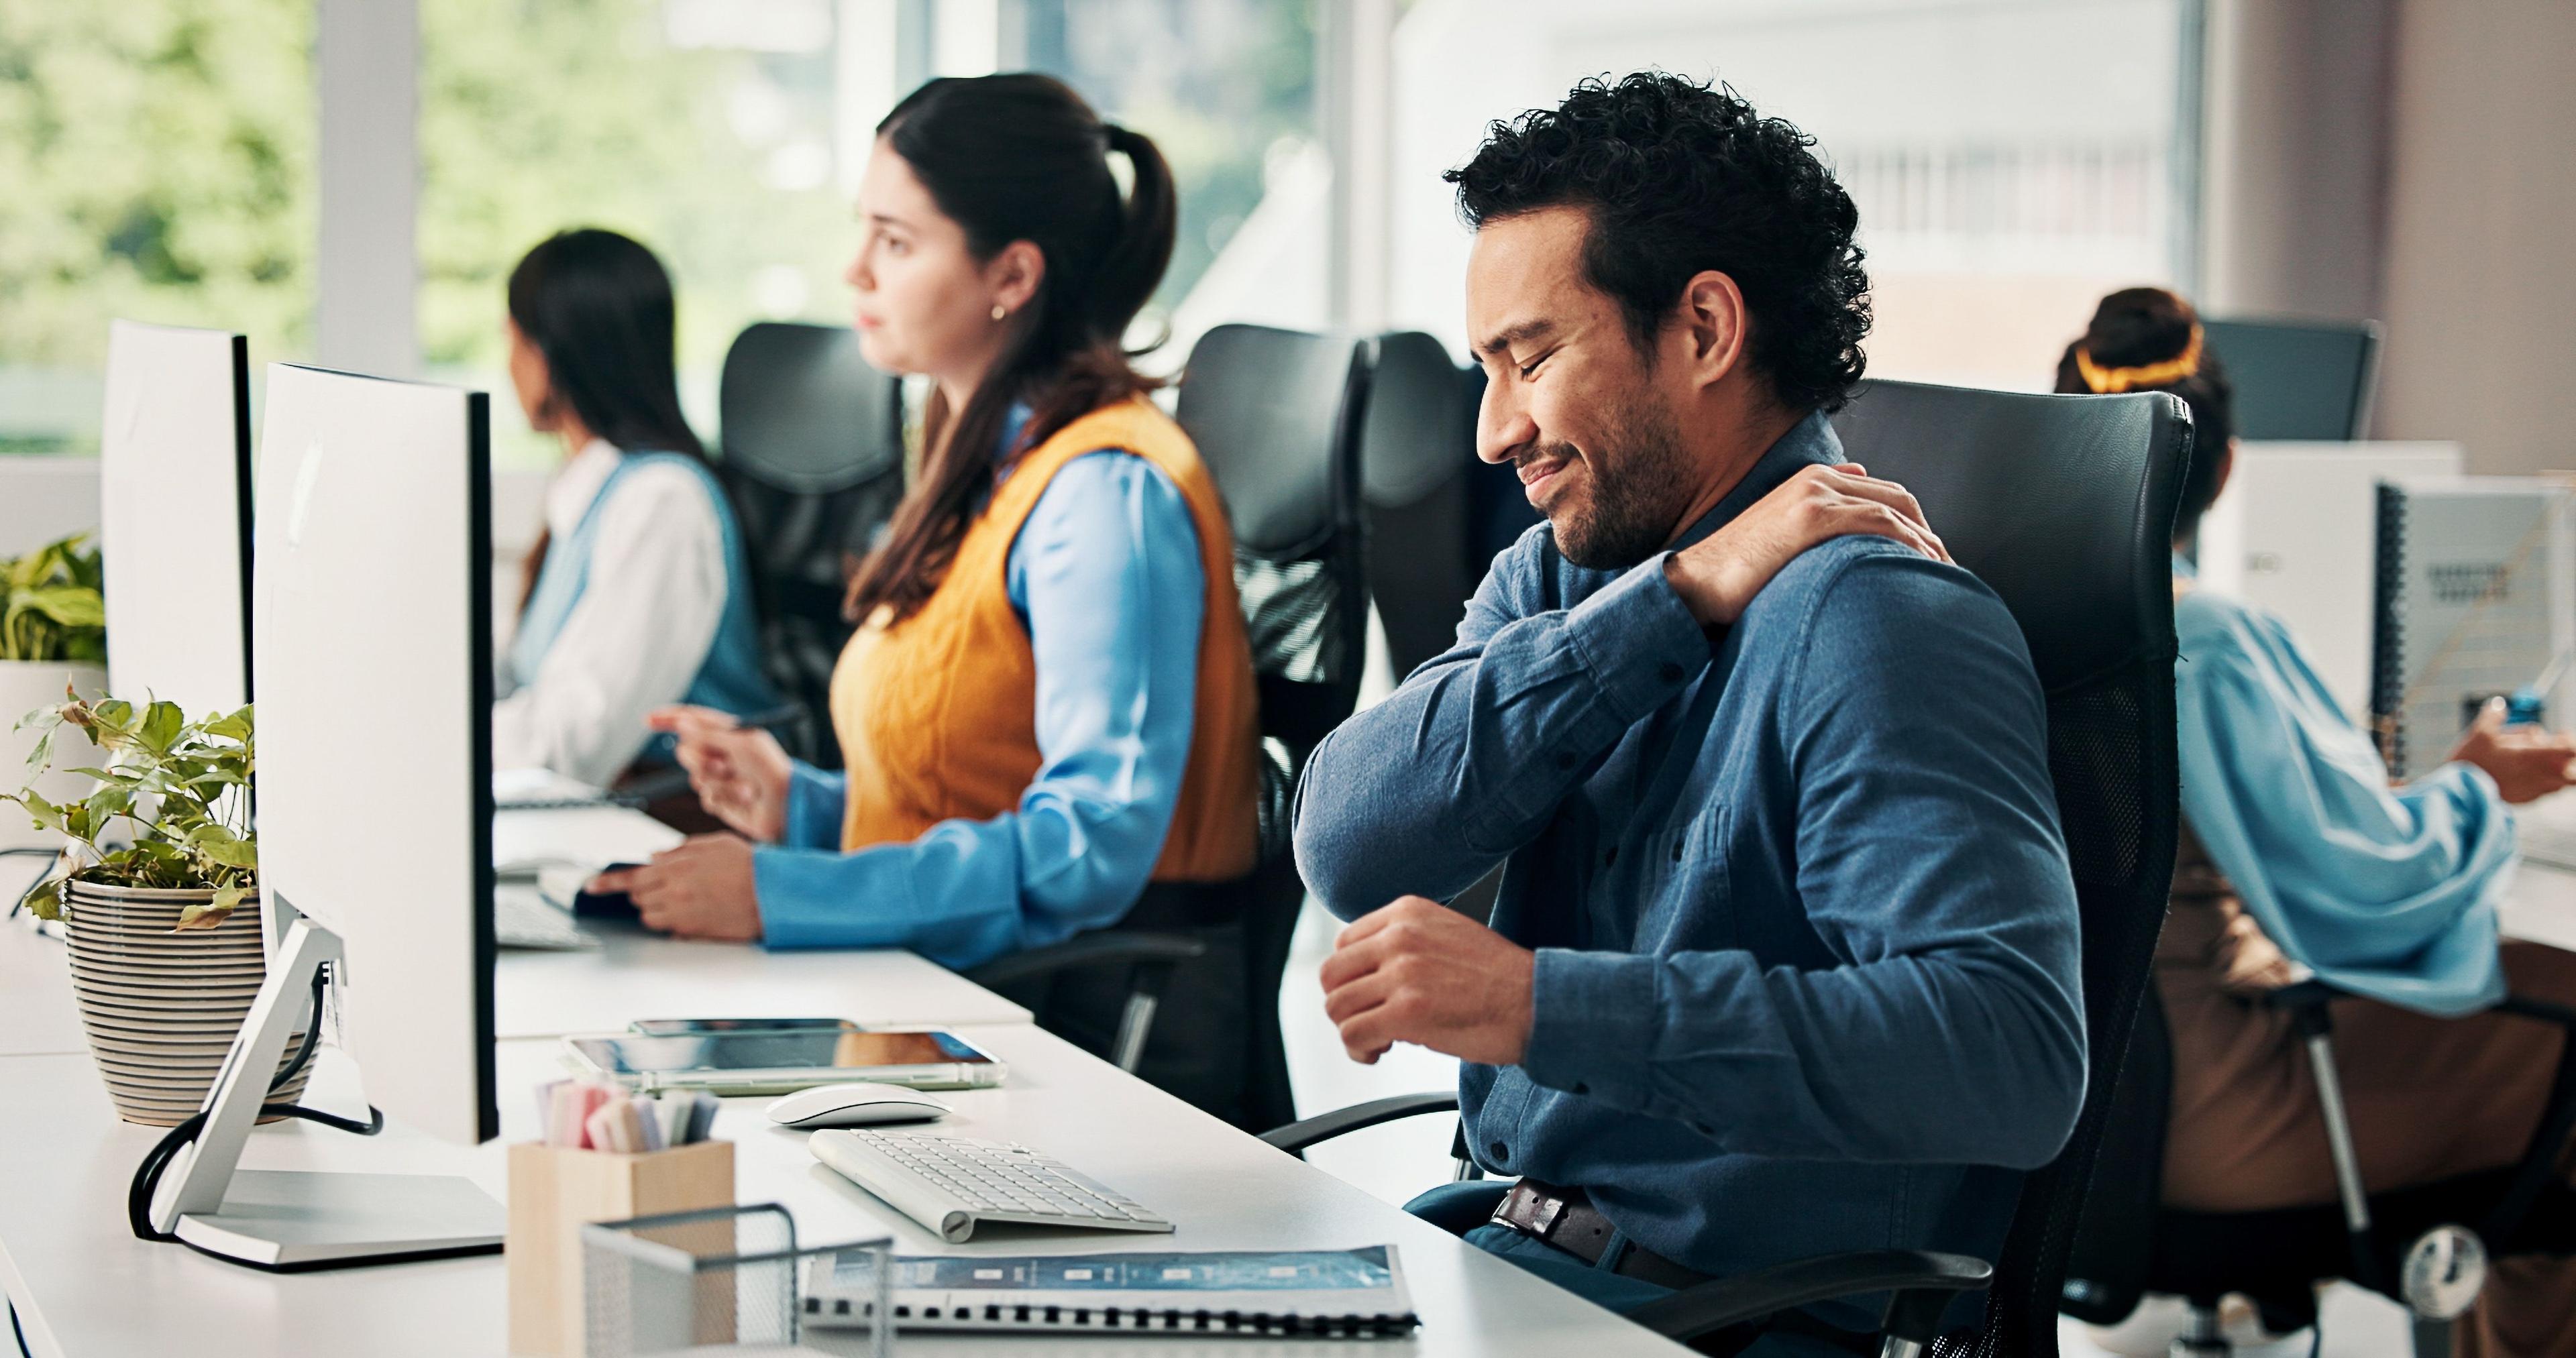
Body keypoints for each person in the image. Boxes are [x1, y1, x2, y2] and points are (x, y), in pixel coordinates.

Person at [1291, 72, 2088, 1350]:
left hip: (1704, 1320)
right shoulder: (1574, 575)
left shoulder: (1880, 624)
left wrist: (1543, 1008)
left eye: (1532, 358)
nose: (1498, 431)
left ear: (1706, 329)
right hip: (1504, 1257)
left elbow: (2008, 1058)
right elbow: (1350, 841)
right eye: (1486, 370)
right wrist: (1676, 599)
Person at [597, 74, 1262, 1114]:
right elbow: (972, 782)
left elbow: (1090, 845)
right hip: (954, 1002)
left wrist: (787, 891)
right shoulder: (981, 463)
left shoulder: (1103, 493)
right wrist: (805, 809)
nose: (854, 269)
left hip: (1080, 1039)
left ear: (1011, 274)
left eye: (896, 243)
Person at [2056, 286, 2576, 1358]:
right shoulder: (2206, 637)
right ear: (2230, 467)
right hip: (2214, 1121)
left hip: (2074, 1118)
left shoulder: (2032, 608)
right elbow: (2363, 891)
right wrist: (2478, 781)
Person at [494, 228, 775, 789]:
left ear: (548, 355)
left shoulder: (663, 502)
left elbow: (573, 743)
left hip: (670, 822)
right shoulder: (586, 491)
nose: (507, 365)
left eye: (512, 340)